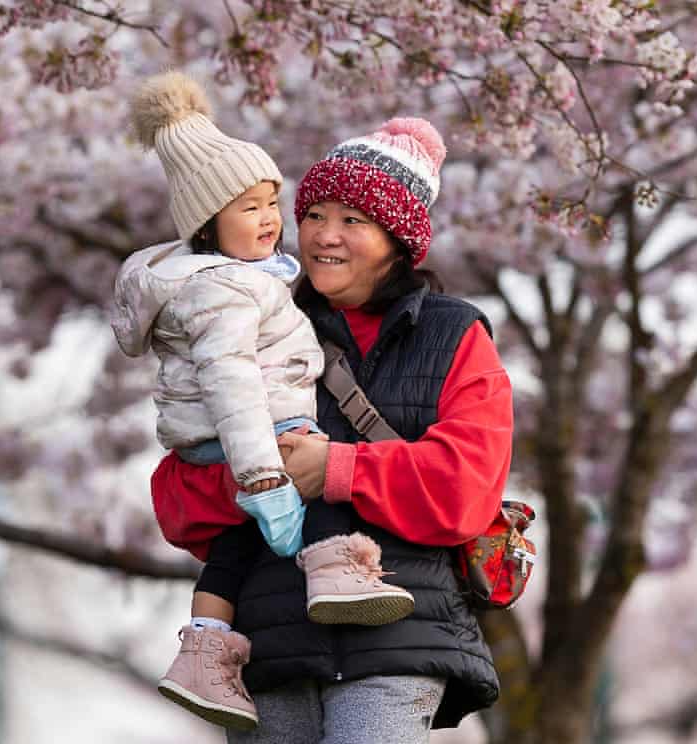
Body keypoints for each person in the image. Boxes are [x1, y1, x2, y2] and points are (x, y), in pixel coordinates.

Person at [151, 115, 515, 742]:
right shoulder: (251, 319)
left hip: (398, 640)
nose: (325, 236)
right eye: (315, 214)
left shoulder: (454, 334)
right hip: (270, 644)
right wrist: (260, 478)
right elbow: (175, 499)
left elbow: (465, 488)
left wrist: (337, 471)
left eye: (354, 221)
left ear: (398, 240)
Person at [110, 71, 414, 732]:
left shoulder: (231, 279)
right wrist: (264, 475)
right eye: (248, 208)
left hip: (226, 432)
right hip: (249, 430)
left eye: (273, 201)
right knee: (318, 471)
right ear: (206, 225)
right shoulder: (224, 289)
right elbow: (232, 382)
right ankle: (335, 572)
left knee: (237, 545)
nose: (272, 219)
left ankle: (204, 649)